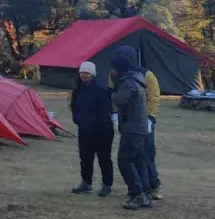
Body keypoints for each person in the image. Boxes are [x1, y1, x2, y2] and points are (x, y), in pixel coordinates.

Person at [111, 47, 151, 209]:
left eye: (113, 69)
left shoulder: (128, 83)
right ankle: (144, 193)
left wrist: (111, 92)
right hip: (139, 127)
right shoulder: (138, 79)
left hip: (132, 127)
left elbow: (120, 99)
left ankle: (137, 193)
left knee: (124, 161)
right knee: (138, 160)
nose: (112, 72)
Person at [69, 61, 114, 197]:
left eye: (87, 73)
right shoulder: (78, 91)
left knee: (104, 158)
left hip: (102, 132)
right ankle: (86, 183)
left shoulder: (102, 92)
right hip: (84, 131)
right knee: (85, 158)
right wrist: (77, 120)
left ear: (93, 74)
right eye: (82, 72)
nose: (84, 75)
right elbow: (74, 108)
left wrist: (95, 126)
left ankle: (107, 185)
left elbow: (105, 112)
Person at [135, 58, 163, 200]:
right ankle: (138, 187)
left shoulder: (147, 75)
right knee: (132, 156)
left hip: (145, 120)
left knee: (147, 153)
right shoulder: (115, 73)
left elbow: (154, 97)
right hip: (129, 121)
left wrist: (150, 118)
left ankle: (153, 185)